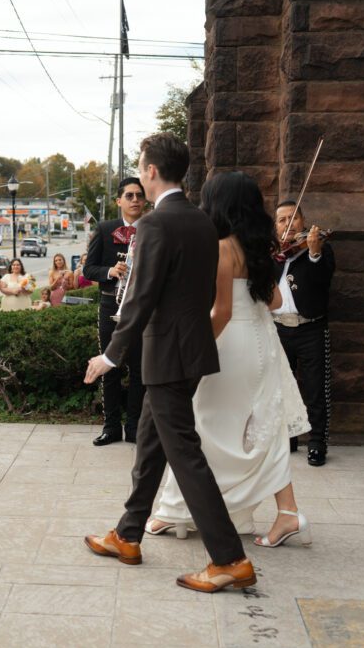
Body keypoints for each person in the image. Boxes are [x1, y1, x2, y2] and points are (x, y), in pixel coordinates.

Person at [82, 132, 255, 593]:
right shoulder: (201, 220)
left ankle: (229, 558)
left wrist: (110, 355)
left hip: (169, 354)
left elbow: (141, 297)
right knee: (151, 442)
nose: (139, 172)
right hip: (191, 351)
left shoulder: (156, 225)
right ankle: (128, 534)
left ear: (152, 171)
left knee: (185, 456)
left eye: (141, 165)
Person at [145, 171, 313, 549]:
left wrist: (193, 354)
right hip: (262, 343)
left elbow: (220, 312)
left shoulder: (221, 247)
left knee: (201, 425)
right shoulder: (257, 248)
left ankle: (173, 511)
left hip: (230, 343)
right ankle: (285, 512)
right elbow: (273, 302)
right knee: (262, 427)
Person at [84, 177, 147, 446]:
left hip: (141, 308)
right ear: (118, 201)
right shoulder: (105, 228)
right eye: (129, 196)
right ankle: (111, 427)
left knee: (139, 370)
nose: (135, 200)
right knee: (109, 367)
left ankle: (133, 427)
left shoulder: (152, 229)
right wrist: (110, 271)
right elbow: (88, 270)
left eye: (139, 196)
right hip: (111, 304)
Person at [272, 200, 335, 466]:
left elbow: (322, 278)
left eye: (293, 218)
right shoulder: (272, 253)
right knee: (280, 388)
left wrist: (314, 252)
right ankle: (288, 438)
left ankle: (317, 442)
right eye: (282, 219)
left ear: (303, 221)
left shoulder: (319, 248)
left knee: (314, 388)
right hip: (277, 327)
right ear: (275, 227)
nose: (288, 223)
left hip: (310, 327)